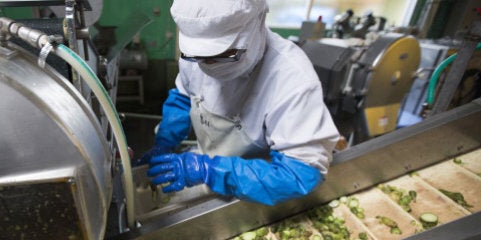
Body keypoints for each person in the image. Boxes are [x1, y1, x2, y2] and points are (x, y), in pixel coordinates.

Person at [135, 0, 340, 206]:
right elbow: (182, 97)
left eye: (224, 55)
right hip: (208, 164)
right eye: (199, 57)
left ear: (258, 22)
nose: (209, 65)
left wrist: (212, 171)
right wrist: (164, 142)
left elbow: (301, 173)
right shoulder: (195, 53)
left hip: (261, 191)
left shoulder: (292, 78)